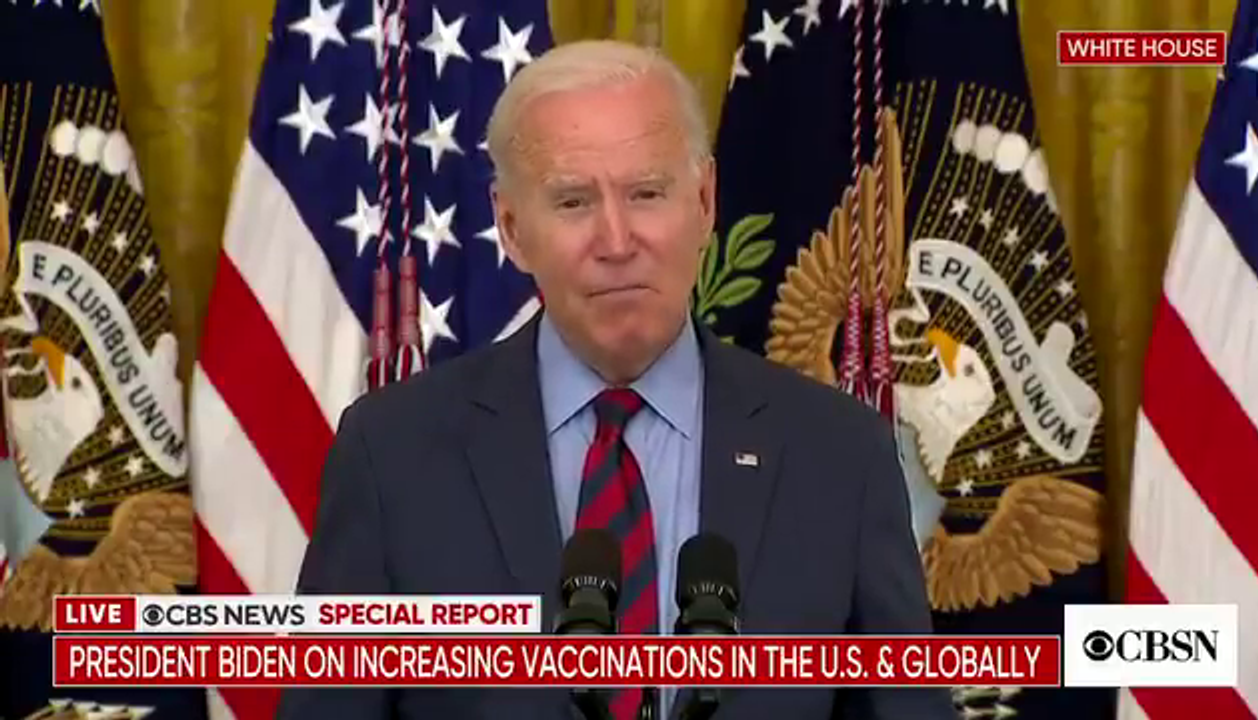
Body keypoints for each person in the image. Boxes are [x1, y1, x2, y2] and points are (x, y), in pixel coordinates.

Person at [276, 39, 951, 720]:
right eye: (573, 202)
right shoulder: (392, 454)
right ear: (511, 227)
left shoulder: (839, 452)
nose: (618, 241)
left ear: (705, 200)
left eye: (647, 194)